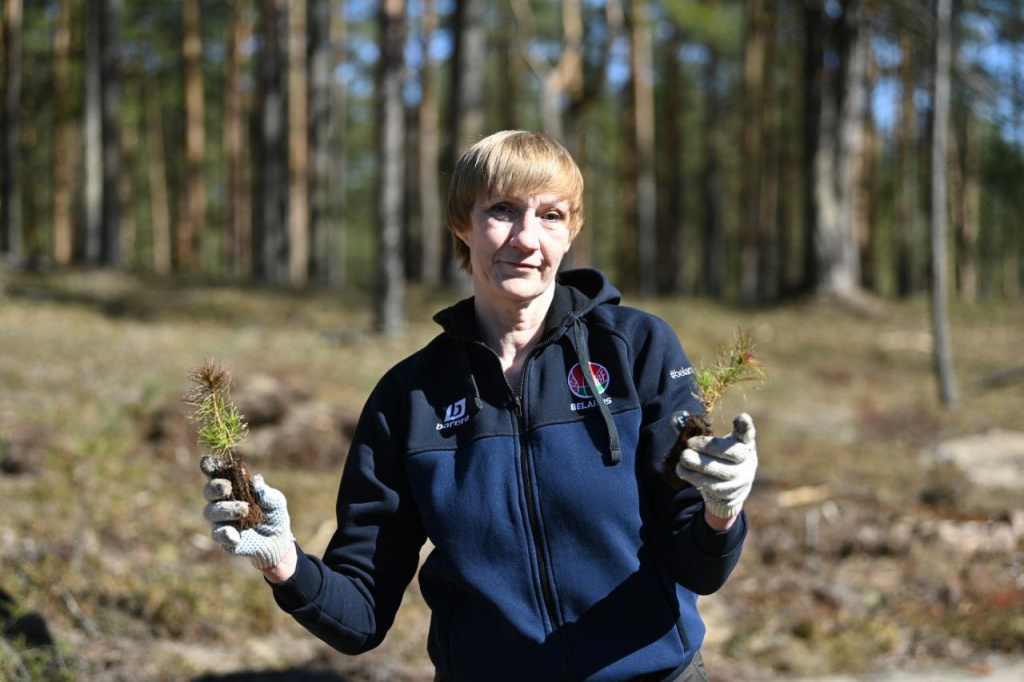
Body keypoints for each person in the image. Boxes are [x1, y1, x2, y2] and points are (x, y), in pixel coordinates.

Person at [202, 130, 758, 681]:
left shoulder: (636, 349)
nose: (526, 238)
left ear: (572, 232)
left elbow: (697, 567)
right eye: (502, 210)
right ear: (461, 225)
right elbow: (361, 615)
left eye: (551, 216)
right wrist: (283, 563)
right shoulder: (410, 397)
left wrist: (721, 510)